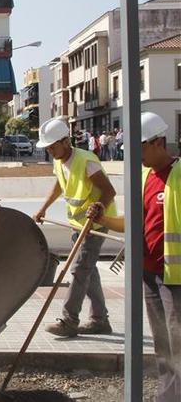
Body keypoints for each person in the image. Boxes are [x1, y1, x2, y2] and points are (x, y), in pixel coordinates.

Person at [86, 112, 180, 402]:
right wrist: (104, 217)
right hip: (149, 274)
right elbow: (133, 222)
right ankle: (168, 396)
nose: (136, 155)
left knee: (178, 343)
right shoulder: (143, 176)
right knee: (162, 344)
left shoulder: (177, 176)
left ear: (158, 142)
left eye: (140, 148)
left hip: (175, 278)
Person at [33, 117, 117, 337]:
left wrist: (98, 208)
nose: (50, 151)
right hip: (78, 224)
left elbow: (109, 191)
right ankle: (100, 320)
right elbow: (59, 186)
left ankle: (69, 321)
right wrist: (43, 208)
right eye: (48, 147)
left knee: (79, 269)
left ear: (65, 141)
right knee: (89, 271)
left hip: (96, 223)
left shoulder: (86, 161)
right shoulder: (60, 161)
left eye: (53, 146)